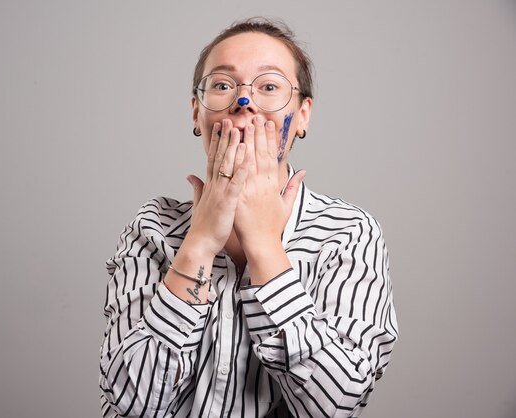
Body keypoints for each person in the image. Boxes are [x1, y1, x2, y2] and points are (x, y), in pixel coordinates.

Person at [100, 17, 398, 418]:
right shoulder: (153, 228)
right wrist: (200, 243)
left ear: (303, 114)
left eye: (269, 86)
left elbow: (335, 404)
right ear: (196, 112)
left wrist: (264, 247)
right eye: (223, 85)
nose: (245, 103)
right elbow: (133, 403)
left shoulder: (348, 233)